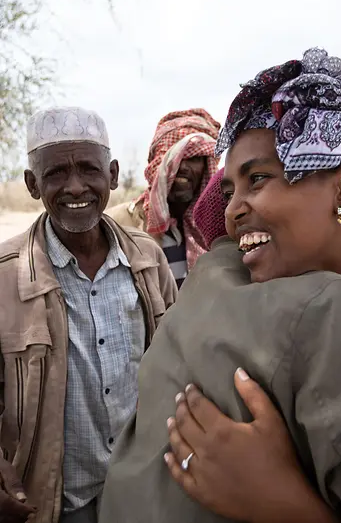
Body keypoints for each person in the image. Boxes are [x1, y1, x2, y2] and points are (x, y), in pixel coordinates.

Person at [99, 49, 341, 523]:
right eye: (229, 192)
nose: (232, 210)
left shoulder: (337, 315)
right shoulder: (257, 302)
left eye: (259, 179)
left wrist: (285, 504)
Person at [0, 106, 177, 523]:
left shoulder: (147, 258)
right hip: (58, 502)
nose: (75, 186)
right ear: (31, 183)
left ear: (112, 175)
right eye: (55, 173)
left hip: (143, 489)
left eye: (88, 169)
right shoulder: (6, 274)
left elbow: (176, 360)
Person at [106, 109, 220, 288]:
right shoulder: (118, 225)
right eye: (174, 158)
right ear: (157, 164)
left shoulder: (220, 228)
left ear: (206, 167)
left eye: (194, 158)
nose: (183, 167)